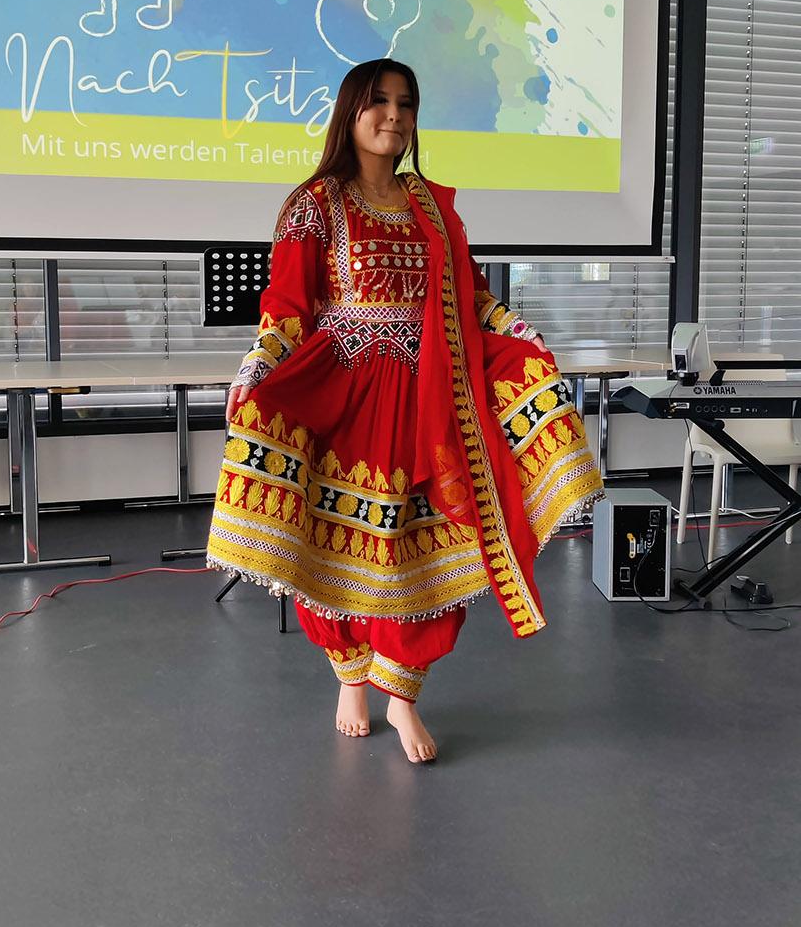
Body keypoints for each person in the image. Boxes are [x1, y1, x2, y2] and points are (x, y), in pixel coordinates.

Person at [206, 59, 603, 763]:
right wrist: (258, 364)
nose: (394, 114)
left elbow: (471, 299)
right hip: (347, 396)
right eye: (379, 101)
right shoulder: (316, 203)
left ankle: (403, 696)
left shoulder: (432, 207)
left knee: (424, 551)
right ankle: (350, 678)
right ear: (350, 112)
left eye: (406, 103)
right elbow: (289, 306)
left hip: (429, 402)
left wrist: (518, 332)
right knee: (338, 547)